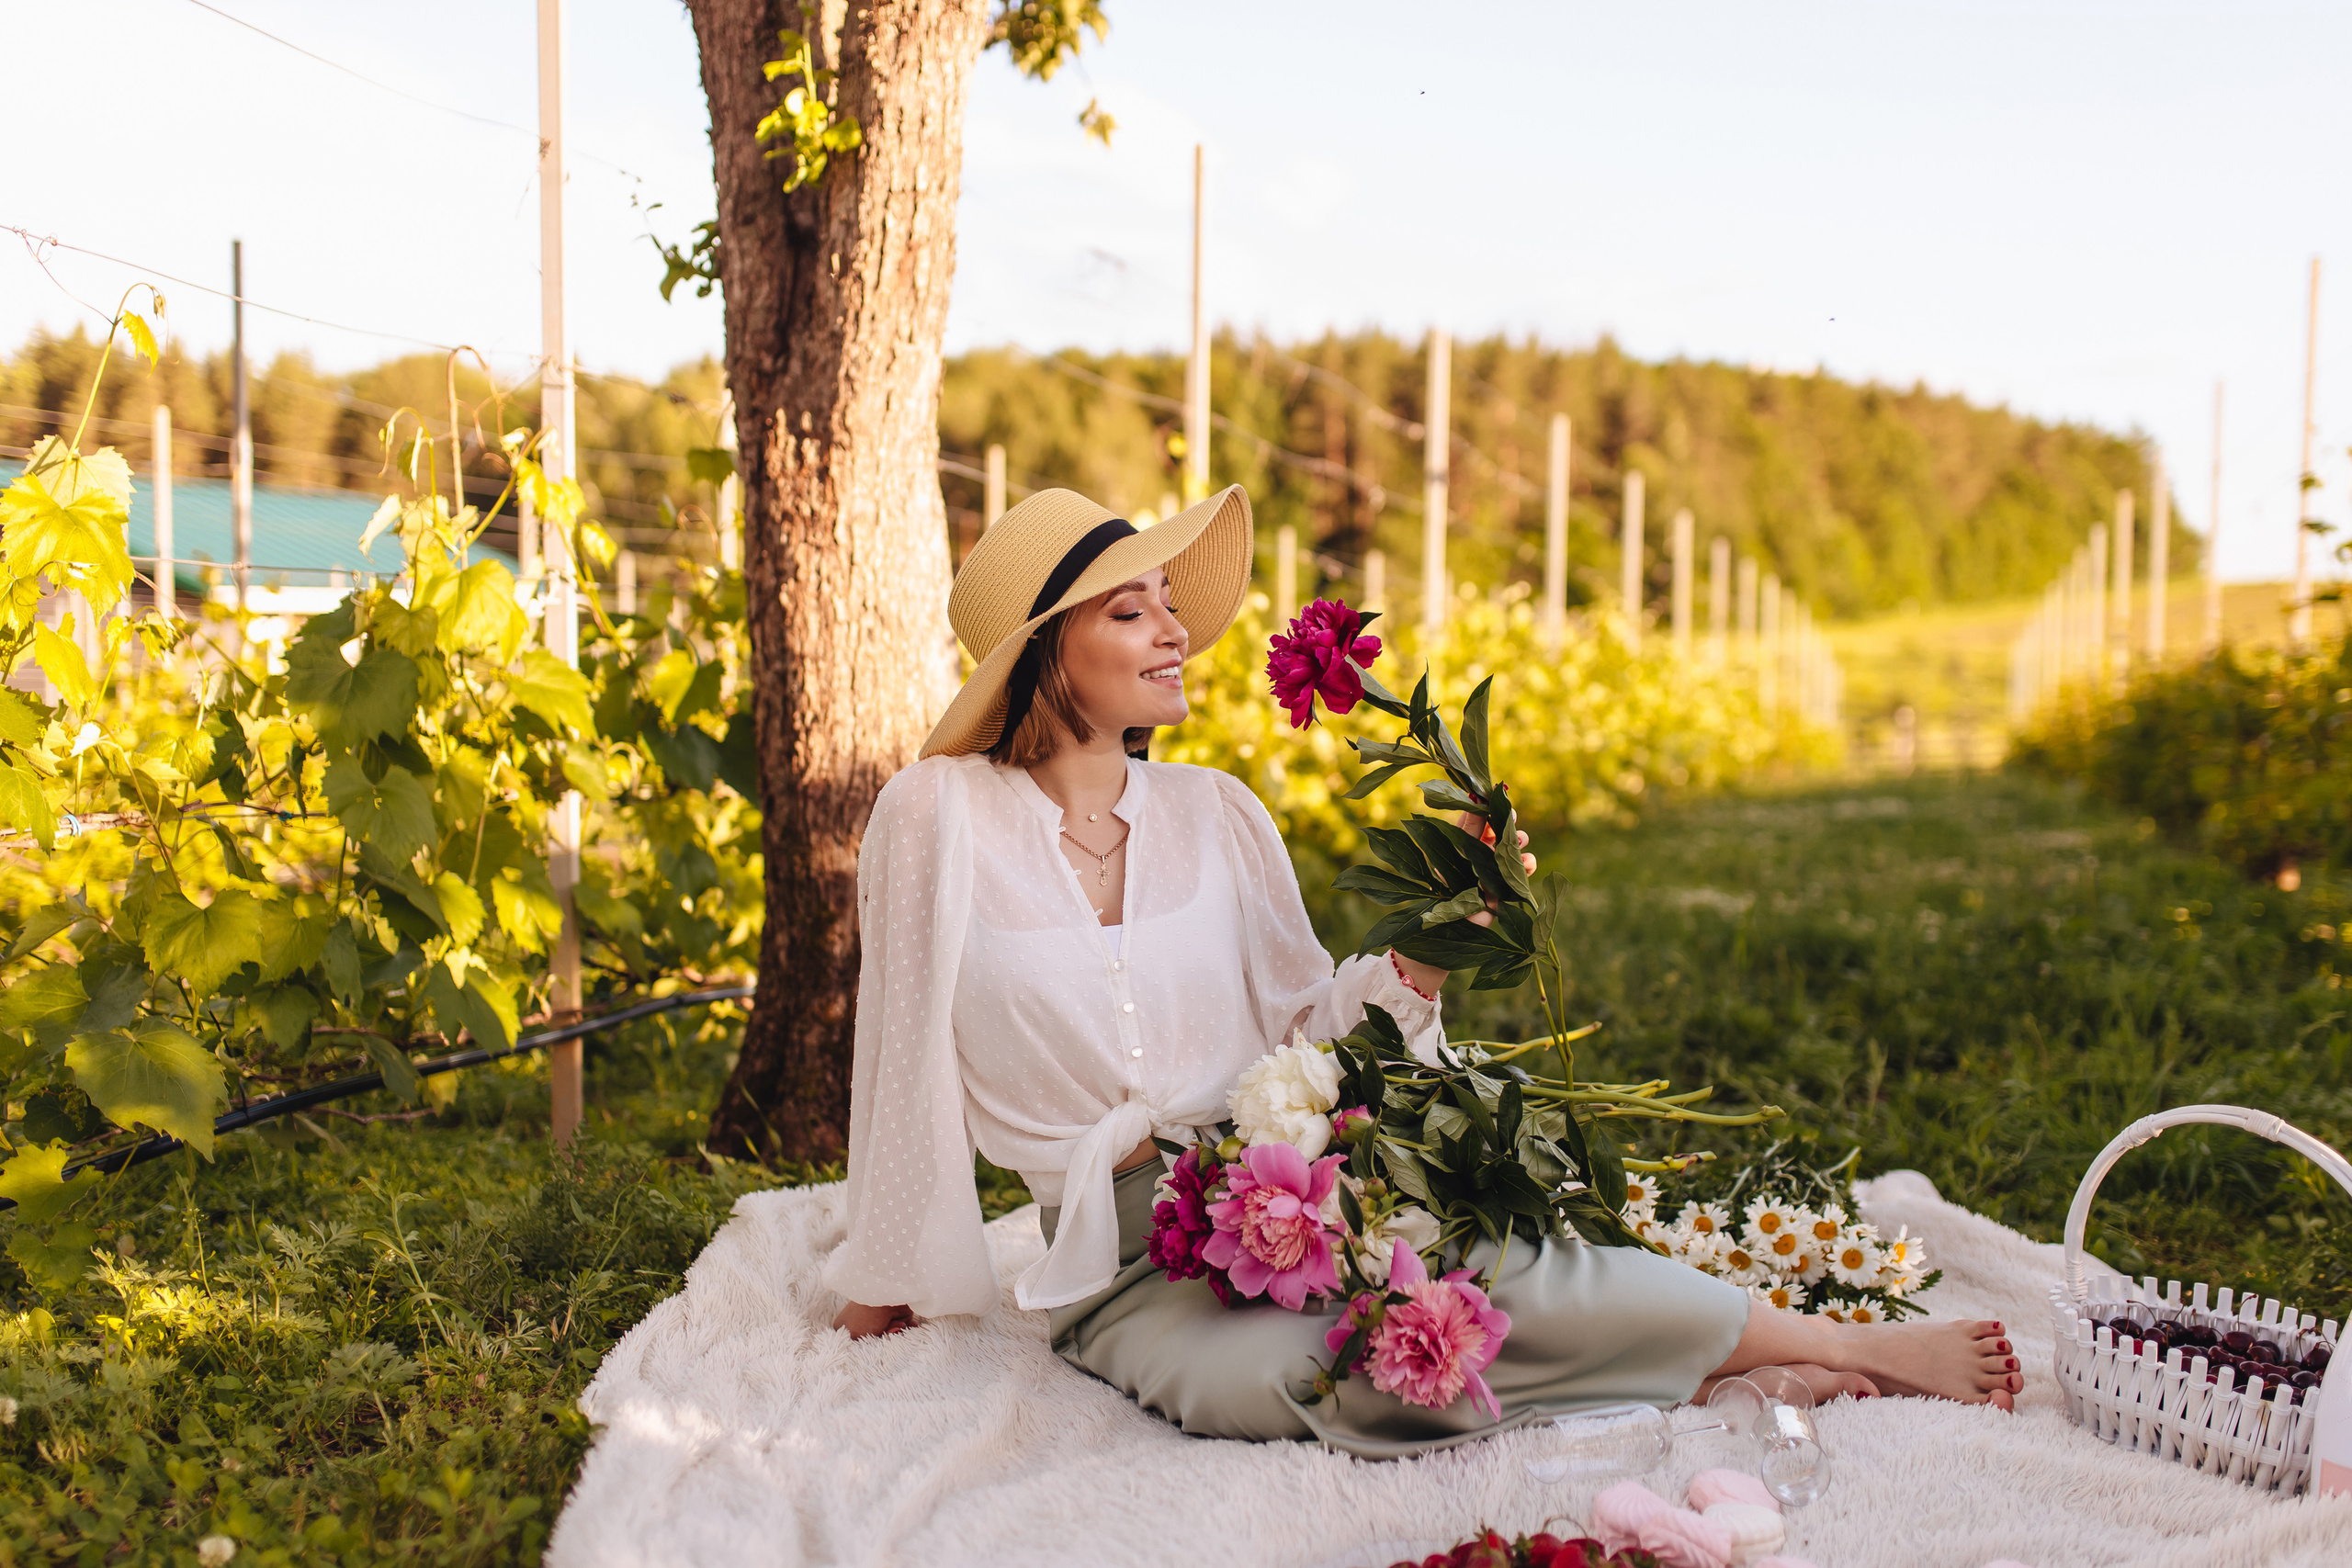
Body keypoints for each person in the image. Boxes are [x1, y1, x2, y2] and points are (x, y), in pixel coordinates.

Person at [822, 486, 2020, 1457]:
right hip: (1123, 1267)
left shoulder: (1218, 814)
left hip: (1301, 1186)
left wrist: (1426, 955)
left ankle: (1811, 1345)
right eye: (1131, 612)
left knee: (1525, 1278)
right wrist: (887, 1283)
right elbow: (900, 1048)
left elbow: (1305, 1026)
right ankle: (1710, 1371)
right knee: (1332, 1373)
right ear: (1047, 650)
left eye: (1166, 604)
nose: (1176, 629)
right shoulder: (938, 817)